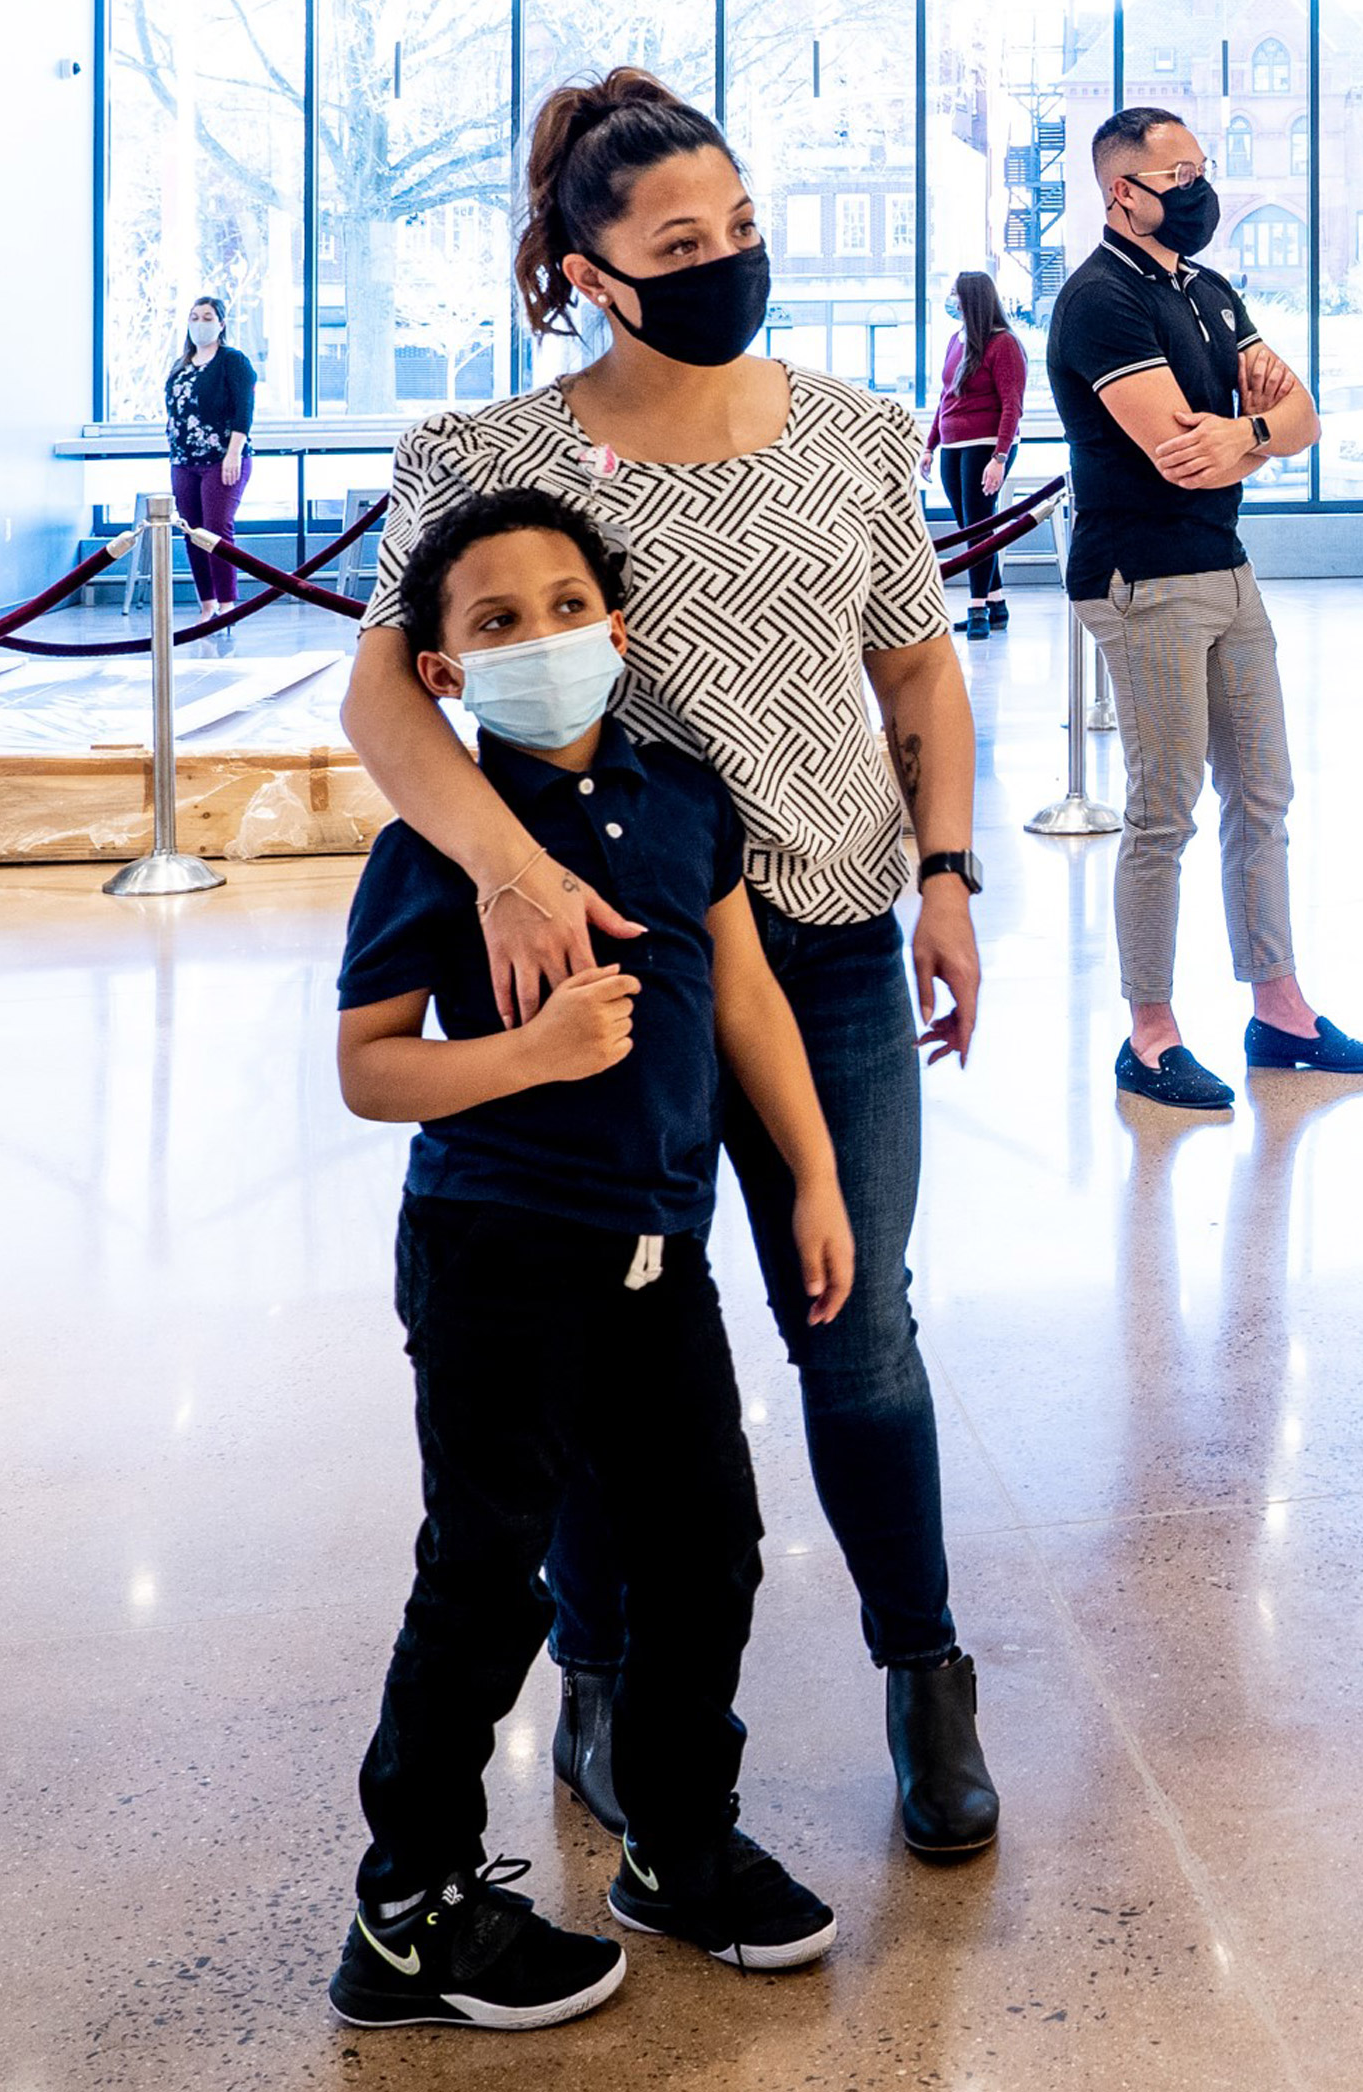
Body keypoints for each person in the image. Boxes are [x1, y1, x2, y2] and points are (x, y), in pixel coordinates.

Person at [337, 66, 1001, 1861]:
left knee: (855, 1326)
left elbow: (919, 666)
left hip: (838, 944)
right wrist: (501, 872)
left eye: (742, 226)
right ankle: (609, 1681)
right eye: (680, 240)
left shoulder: (857, 433)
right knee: (610, 1336)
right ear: (588, 267)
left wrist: (948, 871)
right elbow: (385, 692)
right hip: (613, 975)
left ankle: (923, 1670)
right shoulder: (488, 457)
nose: (727, 261)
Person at [326, 489, 842, 2029]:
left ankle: (677, 1846)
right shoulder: (443, 847)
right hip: (497, 1258)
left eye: (564, 606)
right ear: (440, 671)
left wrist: (810, 1177)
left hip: (657, 1253)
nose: (540, 638)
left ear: (616, 627)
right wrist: (534, 1057)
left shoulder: (684, 797)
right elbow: (367, 1068)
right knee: (487, 1577)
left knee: (706, 1547)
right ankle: (408, 1907)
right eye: (494, 623)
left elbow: (745, 997)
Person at [1049, 106, 1363, 1113]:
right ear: (1123, 192)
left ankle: (1280, 1011)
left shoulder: (1208, 288)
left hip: (1225, 565)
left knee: (1264, 794)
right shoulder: (1099, 301)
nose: (1198, 187)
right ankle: (1149, 1034)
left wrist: (1249, 429)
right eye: (1180, 172)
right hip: (1142, 575)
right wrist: (1259, 435)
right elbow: (1179, 454)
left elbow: (1304, 421)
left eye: (1203, 167)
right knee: (1164, 810)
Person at [929, 270, 1032, 639]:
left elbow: (1012, 404)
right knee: (972, 527)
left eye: (956, 294)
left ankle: (976, 610)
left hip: (987, 444)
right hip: (954, 445)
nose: (951, 300)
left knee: (979, 527)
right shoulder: (956, 340)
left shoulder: (1003, 344)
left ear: (970, 299)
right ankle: (996, 603)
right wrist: (930, 446)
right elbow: (946, 397)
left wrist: (999, 456)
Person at [165, 296, 257, 622]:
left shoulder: (233, 361)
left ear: (221, 324)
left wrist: (233, 452)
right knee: (192, 531)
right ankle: (206, 605)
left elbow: (243, 410)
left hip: (222, 458)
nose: (199, 323)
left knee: (217, 529)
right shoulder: (181, 365)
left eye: (207, 317)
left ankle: (227, 605)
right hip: (184, 460)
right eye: (194, 317)